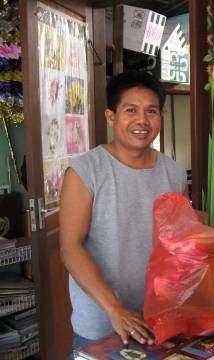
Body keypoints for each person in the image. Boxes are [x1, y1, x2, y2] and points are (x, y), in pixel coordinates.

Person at [59, 71, 188, 349]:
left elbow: (178, 243)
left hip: (159, 319)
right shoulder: (85, 171)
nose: (142, 120)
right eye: (131, 110)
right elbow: (70, 246)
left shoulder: (174, 173)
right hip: (102, 323)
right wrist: (114, 308)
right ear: (111, 117)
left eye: (151, 111)